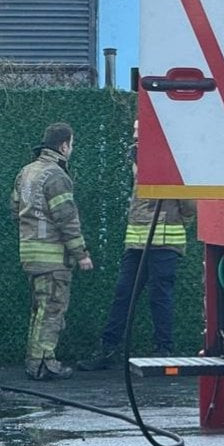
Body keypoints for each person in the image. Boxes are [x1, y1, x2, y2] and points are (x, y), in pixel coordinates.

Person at [79, 124, 195, 370]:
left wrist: (175, 221)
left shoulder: (171, 160)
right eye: (133, 132)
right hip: (136, 243)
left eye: (139, 133)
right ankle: (108, 349)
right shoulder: (137, 158)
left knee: (158, 296)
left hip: (164, 242)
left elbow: (189, 204)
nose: (134, 137)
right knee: (124, 294)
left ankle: (163, 350)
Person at [12, 122, 93, 380]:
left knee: (39, 310)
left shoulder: (26, 172)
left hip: (30, 253)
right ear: (63, 145)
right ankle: (43, 364)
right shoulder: (57, 176)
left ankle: (35, 360)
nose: (72, 149)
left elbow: (14, 208)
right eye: (72, 144)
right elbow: (67, 219)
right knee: (52, 310)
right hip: (52, 258)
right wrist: (81, 254)